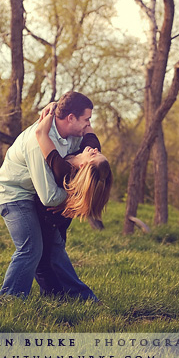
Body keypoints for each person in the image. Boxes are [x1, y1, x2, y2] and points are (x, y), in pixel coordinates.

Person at [0, 91, 100, 300]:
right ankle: (10, 299)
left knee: (54, 248)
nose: (88, 125)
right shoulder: (38, 142)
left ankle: (70, 296)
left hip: (35, 195)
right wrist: (74, 198)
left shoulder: (70, 135)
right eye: (86, 119)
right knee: (31, 248)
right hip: (14, 195)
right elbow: (50, 198)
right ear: (71, 118)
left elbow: (89, 153)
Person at [33, 105, 112, 295]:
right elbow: (88, 128)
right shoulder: (89, 156)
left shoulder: (63, 171)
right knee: (53, 256)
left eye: (95, 154)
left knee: (46, 259)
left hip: (49, 216)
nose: (93, 149)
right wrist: (58, 104)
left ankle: (75, 296)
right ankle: (57, 295)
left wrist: (50, 113)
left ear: (85, 166)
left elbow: (40, 134)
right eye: (98, 151)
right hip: (62, 216)